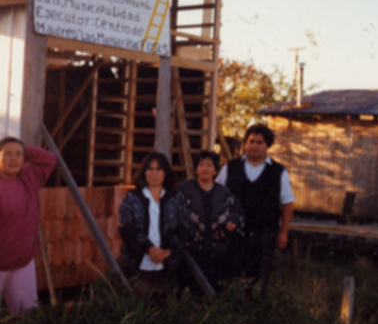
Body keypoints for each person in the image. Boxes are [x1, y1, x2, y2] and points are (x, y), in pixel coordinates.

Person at [216, 123, 294, 297]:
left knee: (258, 282)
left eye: (259, 142)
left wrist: (284, 233)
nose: (254, 146)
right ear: (245, 144)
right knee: (229, 279)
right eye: (251, 141)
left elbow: (287, 203)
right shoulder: (230, 167)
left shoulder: (278, 171)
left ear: (267, 146)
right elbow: (217, 196)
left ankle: (254, 314)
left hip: (264, 236)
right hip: (233, 235)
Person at [118, 151, 189, 297]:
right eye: (150, 169)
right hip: (138, 266)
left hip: (168, 267)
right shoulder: (133, 198)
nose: (154, 173)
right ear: (144, 172)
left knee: (166, 312)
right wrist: (149, 249)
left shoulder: (175, 198)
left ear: (165, 173)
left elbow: (185, 227)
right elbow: (126, 228)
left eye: (158, 169)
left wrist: (168, 251)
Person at [0, 136, 57, 314]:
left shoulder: (28, 178)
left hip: (22, 262)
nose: (13, 159)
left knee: (28, 316)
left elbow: (50, 159)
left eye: (18, 154)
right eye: (7, 154)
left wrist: (25, 148)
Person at [177, 150, 244, 294]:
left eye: (209, 165)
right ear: (196, 170)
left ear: (215, 171)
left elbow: (237, 213)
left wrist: (232, 223)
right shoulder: (184, 189)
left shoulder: (224, 193)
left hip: (218, 253)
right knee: (190, 291)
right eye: (201, 165)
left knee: (215, 292)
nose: (205, 168)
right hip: (189, 253)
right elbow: (173, 214)